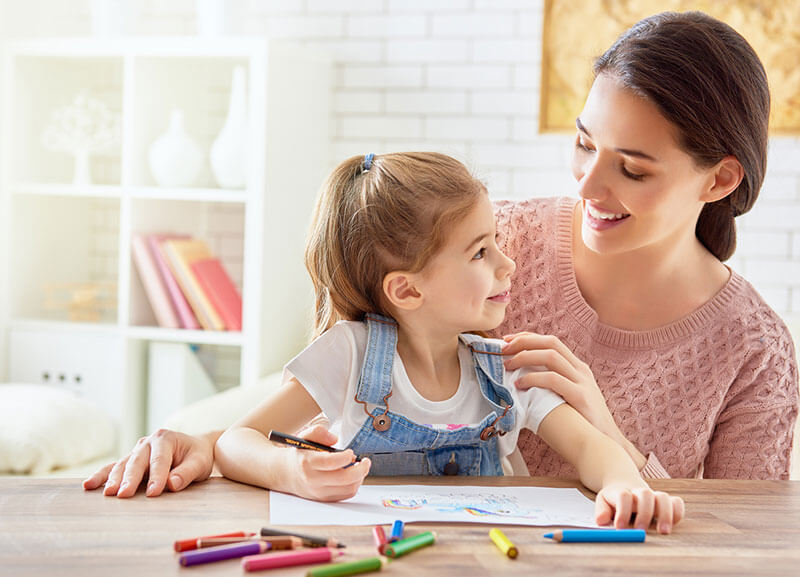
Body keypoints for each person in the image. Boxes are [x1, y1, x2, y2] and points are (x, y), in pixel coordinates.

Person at [83, 10, 797, 498]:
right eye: (583, 143)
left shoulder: (754, 349)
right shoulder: (496, 239)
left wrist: (612, 443)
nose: (587, 183)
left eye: (632, 168)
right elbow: (345, 374)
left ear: (721, 177)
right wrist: (207, 442)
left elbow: (749, 535)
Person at [213, 151, 684, 531]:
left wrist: (624, 484)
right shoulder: (349, 353)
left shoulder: (507, 368)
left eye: (496, 241)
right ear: (408, 290)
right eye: (480, 252)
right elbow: (236, 442)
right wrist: (292, 472)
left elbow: (588, 449)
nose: (508, 264)